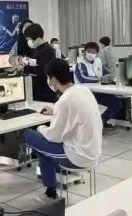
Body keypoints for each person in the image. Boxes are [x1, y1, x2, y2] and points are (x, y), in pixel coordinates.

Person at [24, 59, 103, 200]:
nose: (49, 81)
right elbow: (75, 109)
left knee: (28, 134)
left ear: (54, 79)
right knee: (43, 149)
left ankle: (51, 188)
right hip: (94, 152)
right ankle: (50, 189)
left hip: (77, 157)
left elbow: (54, 136)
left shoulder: (64, 101)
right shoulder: (83, 90)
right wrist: (55, 110)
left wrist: (40, 128)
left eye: (49, 78)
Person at [74, 41, 122, 125]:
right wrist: (99, 79)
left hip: (98, 91)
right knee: (112, 102)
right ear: (84, 52)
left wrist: (109, 76)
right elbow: (83, 78)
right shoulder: (80, 63)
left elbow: (106, 72)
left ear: (97, 53)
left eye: (93, 52)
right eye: (89, 51)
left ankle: (101, 121)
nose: (91, 54)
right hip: (85, 93)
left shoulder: (98, 61)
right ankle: (97, 123)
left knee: (117, 102)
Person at [23, 23, 58, 103]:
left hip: (45, 94)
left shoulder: (48, 51)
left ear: (37, 37)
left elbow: (43, 71)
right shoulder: (38, 49)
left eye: (29, 40)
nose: (28, 42)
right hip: (38, 92)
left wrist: (26, 67)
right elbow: (37, 63)